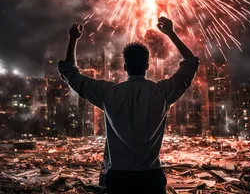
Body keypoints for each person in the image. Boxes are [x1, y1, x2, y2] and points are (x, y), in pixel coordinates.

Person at [58, 17, 199, 194]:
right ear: (147, 66)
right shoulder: (162, 92)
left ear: (124, 67)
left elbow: (71, 73)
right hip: (151, 177)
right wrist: (171, 33)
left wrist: (73, 39)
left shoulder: (108, 93)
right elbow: (191, 63)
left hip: (119, 177)